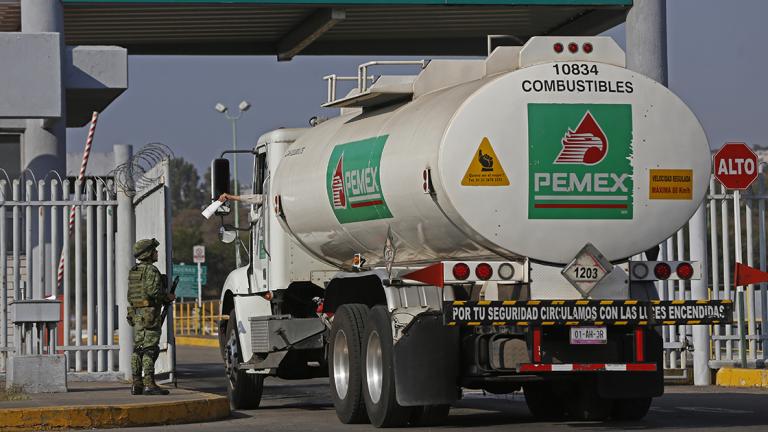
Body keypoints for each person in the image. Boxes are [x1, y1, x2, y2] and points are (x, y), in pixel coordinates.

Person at [127, 238, 175, 395]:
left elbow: (131, 296)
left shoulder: (134, 271)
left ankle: (136, 383)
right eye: (154, 251)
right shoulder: (151, 270)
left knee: (138, 349)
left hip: (136, 314)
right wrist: (167, 297)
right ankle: (149, 383)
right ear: (148, 253)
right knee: (150, 349)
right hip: (150, 315)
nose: (157, 253)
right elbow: (154, 292)